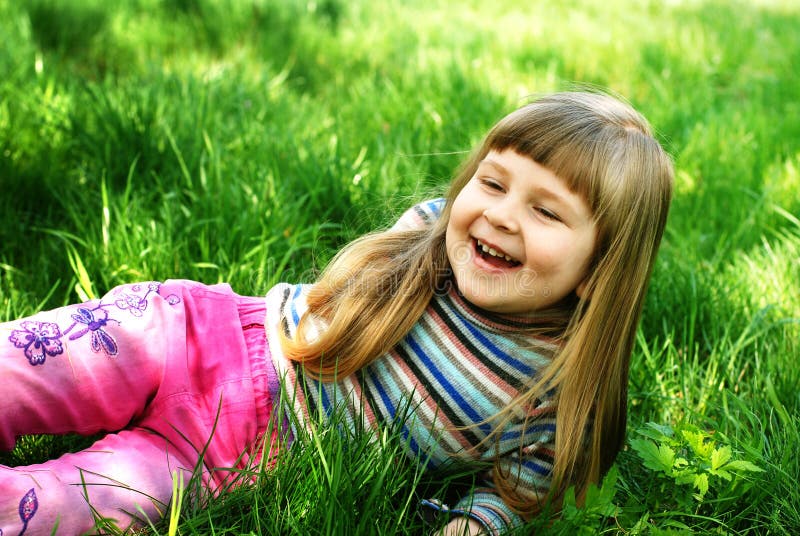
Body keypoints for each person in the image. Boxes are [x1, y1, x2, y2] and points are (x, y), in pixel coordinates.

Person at [0, 91, 673, 535]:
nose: (499, 213)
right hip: (195, 339)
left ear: (600, 268)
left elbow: (511, 498)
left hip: (225, 462)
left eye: (545, 210)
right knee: (27, 370)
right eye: (492, 183)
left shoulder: (549, 396)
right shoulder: (432, 241)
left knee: (61, 507)